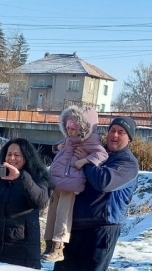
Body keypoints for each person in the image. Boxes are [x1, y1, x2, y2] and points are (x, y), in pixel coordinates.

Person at [52, 117, 140, 271]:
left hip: (101, 230)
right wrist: (58, 147)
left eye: (121, 132)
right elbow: (71, 143)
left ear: (129, 138)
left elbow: (104, 182)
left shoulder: (128, 163)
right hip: (75, 227)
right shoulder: (96, 150)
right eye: (112, 130)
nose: (115, 135)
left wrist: (86, 162)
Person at [0, 137, 51, 269]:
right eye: (9, 154)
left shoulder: (37, 176)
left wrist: (20, 177)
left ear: (27, 157)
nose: (12, 158)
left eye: (17, 155)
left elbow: (40, 201)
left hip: (22, 248)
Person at [43, 106, 108, 263]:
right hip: (58, 180)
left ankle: (58, 247)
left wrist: (84, 160)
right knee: (52, 213)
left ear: (83, 127)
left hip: (71, 182)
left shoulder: (89, 140)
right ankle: (49, 244)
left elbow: (102, 154)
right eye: (67, 127)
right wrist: (58, 147)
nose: (69, 131)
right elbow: (59, 146)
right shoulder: (70, 139)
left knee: (63, 215)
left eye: (73, 128)